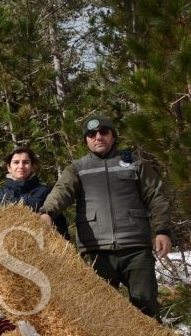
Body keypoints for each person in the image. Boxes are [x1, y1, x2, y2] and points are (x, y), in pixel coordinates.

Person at [39, 116, 173, 318]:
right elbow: (61, 192)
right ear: (86, 140)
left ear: (113, 135)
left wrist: (162, 230)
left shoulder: (135, 163)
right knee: (101, 314)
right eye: (92, 134)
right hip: (96, 252)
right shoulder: (77, 168)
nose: (98, 137)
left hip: (135, 250)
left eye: (103, 132)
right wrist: (46, 212)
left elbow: (156, 196)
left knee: (146, 310)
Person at [0, 147, 68, 237]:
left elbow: (60, 225)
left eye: (26, 162)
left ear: (32, 167)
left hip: (40, 245)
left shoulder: (45, 192)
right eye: (16, 162)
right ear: (9, 167)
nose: (21, 166)